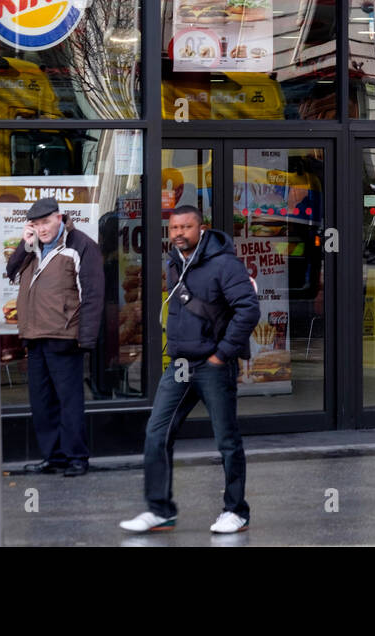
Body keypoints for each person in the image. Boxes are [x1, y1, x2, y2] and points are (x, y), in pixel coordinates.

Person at [121, 206, 260, 533]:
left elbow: (248, 310)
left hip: (213, 365)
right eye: (174, 228)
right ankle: (159, 510)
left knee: (226, 440)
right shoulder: (174, 262)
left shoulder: (224, 264)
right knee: (157, 433)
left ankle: (236, 511)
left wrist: (221, 355)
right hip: (180, 365)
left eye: (186, 227)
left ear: (202, 228)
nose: (179, 233)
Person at [6, 196, 104, 478]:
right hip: (34, 335)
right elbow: (11, 271)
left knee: (68, 401)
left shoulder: (81, 246)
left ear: (60, 218)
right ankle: (54, 457)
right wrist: (25, 245)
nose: (42, 229)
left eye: (46, 222)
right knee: (42, 401)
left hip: (64, 336)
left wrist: (85, 339)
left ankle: (76, 458)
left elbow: (93, 295)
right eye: (35, 224)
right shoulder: (32, 248)